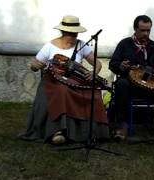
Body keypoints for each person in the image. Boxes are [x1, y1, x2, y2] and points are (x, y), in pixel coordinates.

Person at [19, 15, 109, 145]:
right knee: (62, 90)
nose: (73, 37)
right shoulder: (50, 46)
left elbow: (97, 63)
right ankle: (57, 132)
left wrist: (94, 72)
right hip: (53, 81)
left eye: (75, 34)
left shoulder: (81, 45)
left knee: (94, 92)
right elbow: (35, 65)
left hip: (75, 80)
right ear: (63, 32)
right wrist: (35, 66)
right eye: (70, 34)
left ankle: (93, 132)